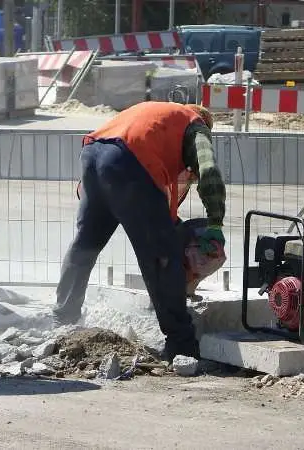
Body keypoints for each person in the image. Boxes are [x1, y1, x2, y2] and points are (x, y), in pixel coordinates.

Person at [53, 102, 226, 362]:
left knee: (85, 245)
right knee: (161, 258)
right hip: (129, 161)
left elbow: (152, 202)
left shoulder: (158, 117)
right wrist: (215, 222)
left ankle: (62, 321)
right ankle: (182, 344)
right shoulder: (195, 125)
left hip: (93, 156)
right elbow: (208, 171)